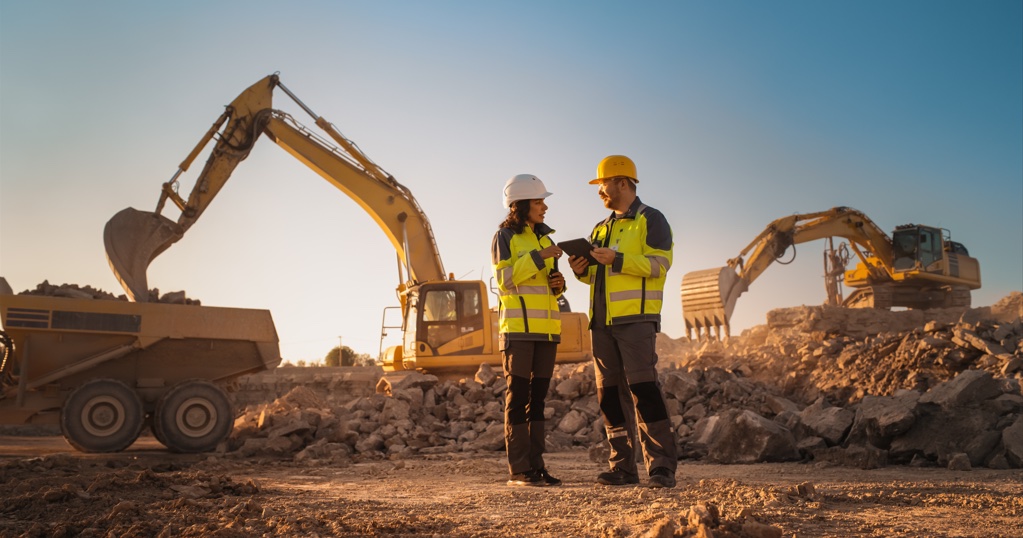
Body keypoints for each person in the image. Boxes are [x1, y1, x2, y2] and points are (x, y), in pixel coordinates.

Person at [567, 155, 678, 489]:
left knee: (643, 389)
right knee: (610, 397)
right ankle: (622, 467)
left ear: (622, 182)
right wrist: (580, 270)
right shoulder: (600, 228)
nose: (599, 191)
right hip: (601, 324)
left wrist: (619, 259)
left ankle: (660, 467)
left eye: (602, 184)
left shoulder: (651, 219)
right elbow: (595, 278)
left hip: (636, 320)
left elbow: (660, 264)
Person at [491, 173, 567, 487]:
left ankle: (537, 466)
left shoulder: (546, 239)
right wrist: (539, 257)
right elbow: (505, 280)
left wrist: (559, 284)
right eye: (538, 202)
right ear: (520, 205)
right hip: (518, 333)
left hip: (547, 332)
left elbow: (551, 288)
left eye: (544, 201)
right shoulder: (505, 237)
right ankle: (519, 470)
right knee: (518, 397)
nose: (544, 207)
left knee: (537, 401)